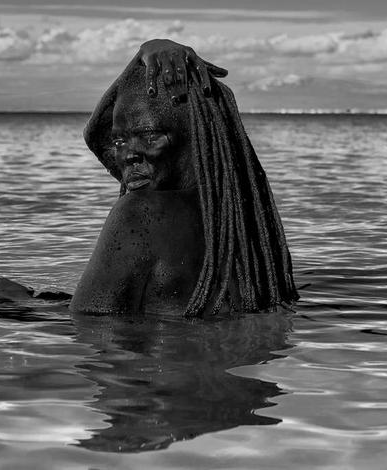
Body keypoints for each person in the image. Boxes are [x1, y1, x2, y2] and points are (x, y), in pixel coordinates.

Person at [70, 39, 298, 317]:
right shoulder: (244, 222)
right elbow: (98, 136)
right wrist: (143, 57)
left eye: (150, 136)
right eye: (119, 142)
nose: (128, 155)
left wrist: (13, 303)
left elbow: (89, 324)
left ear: (195, 141)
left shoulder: (141, 214)